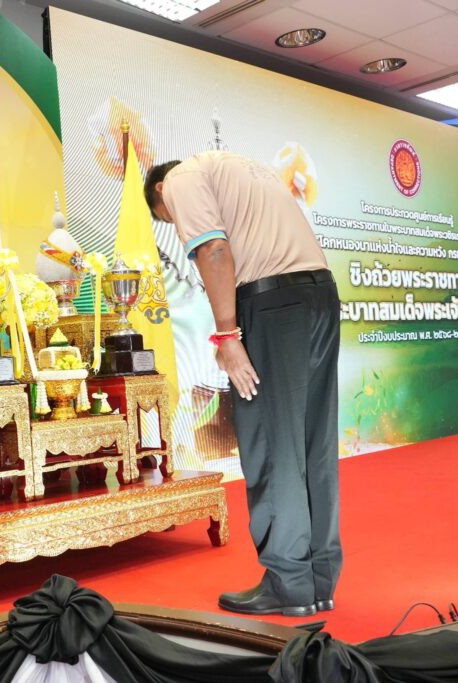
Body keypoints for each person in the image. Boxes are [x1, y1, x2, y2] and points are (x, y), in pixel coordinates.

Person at [145, 151, 341, 618]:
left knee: (272, 443)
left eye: (168, 219)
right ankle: (318, 579)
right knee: (313, 443)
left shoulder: (180, 180)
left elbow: (213, 250)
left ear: (160, 192)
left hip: (273, 306)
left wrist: (227, 336)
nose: (176, 225)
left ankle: (289, 583)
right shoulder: (242, 168)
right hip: (319, 294)